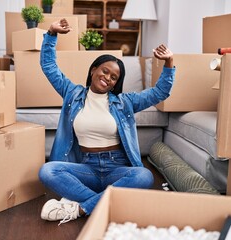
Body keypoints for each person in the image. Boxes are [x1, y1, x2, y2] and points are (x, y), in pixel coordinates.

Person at [38, 18, 175, 225]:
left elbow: (160, 92)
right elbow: (48, 65)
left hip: (116, 166)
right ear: (93, 70)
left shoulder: (124, 102)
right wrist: (51, 33)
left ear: (115, 84)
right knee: (47, 171)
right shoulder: (72, 93)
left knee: (144, 176)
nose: (108, 78)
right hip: (87, 168)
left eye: (114, 77)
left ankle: (81, 208)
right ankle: (109, 201)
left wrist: (169, 63)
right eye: (105, 71)